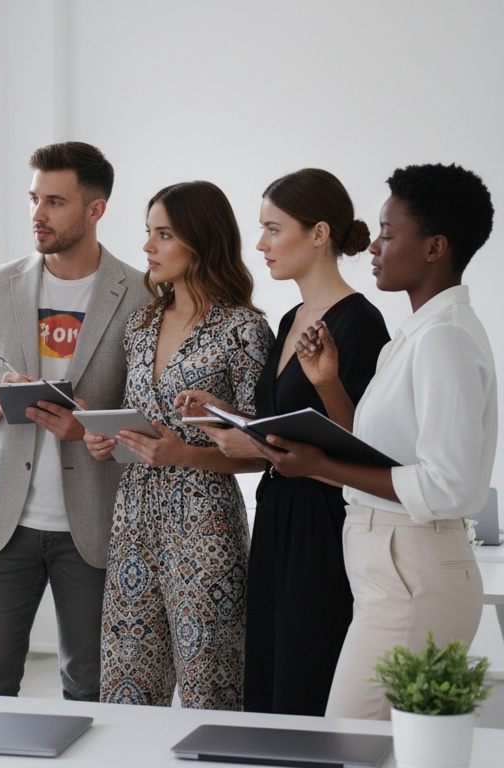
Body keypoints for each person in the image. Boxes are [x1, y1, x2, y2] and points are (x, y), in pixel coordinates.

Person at [256, 163, 495, 720]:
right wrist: (327, 384)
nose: (372, 246)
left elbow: (446, 487)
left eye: (388, 234)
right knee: (362, 742)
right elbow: (373, 450)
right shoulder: (417, 335)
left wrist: (320, 466)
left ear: (434, 247)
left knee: (345, 738)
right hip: (392, 568)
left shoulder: (444, 340)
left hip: (413, 570)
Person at [0, 142, 149, 700]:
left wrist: (90, 429)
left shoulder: (141, 294)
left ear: (95, 209)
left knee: (91, 687)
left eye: (55, 202)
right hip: (4, 522)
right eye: (34, 198)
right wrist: (0, 401)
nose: (38, 214)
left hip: (95, 524)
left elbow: (148, 421)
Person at [183, 169, 390, 716]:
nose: (260, 244)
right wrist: (228, 416)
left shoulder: (361, 324)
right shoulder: (291, 319)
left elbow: (363, 444)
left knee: (307, 679)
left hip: (327, 522)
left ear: (319, 234)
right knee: (270, 677)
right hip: (278, 513)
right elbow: (288, 421)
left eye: (273, 229)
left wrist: (255, 447)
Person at [84, 181, 272, 710]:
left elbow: (263, 451)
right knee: (126, 683)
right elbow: (143, 425)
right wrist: (109, 441)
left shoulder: (244, 330)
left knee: (209, 686)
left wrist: (184, 455)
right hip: (133, 519)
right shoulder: (141, 325)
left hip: (205, 526)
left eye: (164, 235)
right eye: (149, 233)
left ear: (202, 240)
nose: (148, 247)